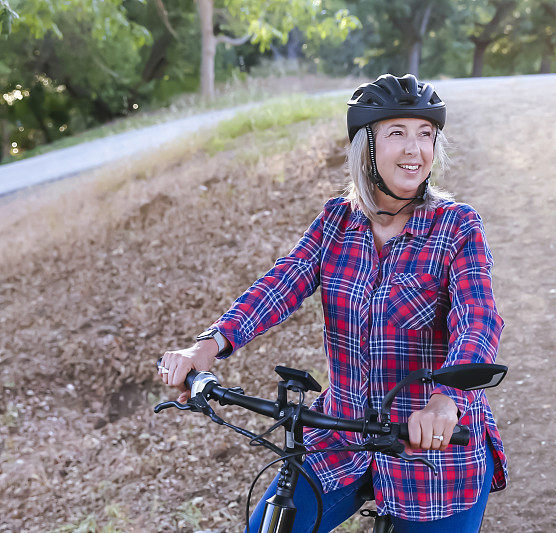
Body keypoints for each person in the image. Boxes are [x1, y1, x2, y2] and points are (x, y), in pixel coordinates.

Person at [158, 73, 508, 532]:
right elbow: (280, 285)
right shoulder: (336, 222)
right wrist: (207, 346)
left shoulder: (457, 227)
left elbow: (479, 320)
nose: (414, 150)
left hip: (433, 448)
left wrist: (448, 399)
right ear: (366, 147)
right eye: (396, 133)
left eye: (425, 135)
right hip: (341, 435)